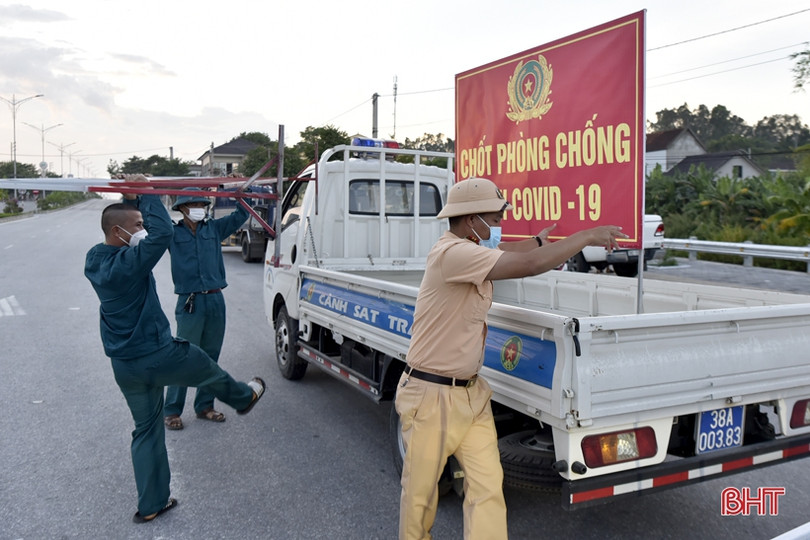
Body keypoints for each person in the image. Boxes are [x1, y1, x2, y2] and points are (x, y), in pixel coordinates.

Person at [395, 177, 625, 540]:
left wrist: (538, 241)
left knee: (488, 489)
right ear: (472, 220)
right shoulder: (451, 253)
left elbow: (516, 255)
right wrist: (583, 237)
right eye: (496, 217)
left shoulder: (470, 249)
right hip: (431, 396)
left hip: (470, 394)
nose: (500, 225)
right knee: (420, 498)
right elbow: (530, 265)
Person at [84, 177, 266, 524]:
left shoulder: (97, 258)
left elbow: (147, 234)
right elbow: (163, 234)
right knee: (204, 364)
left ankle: (152, 503)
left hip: (125, 366)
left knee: (145, 431)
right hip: (155, 354)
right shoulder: (132, 261)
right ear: (120, 231)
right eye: (137, 225)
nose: (144, 229)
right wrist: (147, 193)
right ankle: (243, 398)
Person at [163, 188, 250, 430]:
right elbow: (154, 221)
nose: (199, 208)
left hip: (215, 299)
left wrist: (239, 192)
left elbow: (243, 213)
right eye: (193, 204)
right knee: (183, 356)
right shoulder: (171, 232)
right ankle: (171, 410)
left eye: (202, 203)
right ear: (181, 208)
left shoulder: (214, 228)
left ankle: (204, 406)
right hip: (190, 301)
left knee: (210, 357)